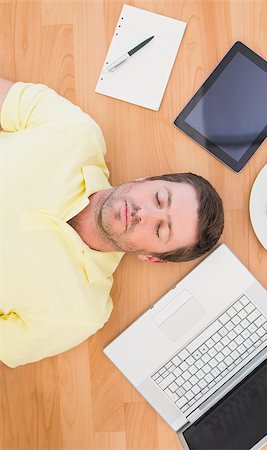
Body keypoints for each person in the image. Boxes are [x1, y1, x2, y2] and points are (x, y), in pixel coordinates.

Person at [0, 79, 224, 368]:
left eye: (160, 229)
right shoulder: (77, 133)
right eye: (158, 198)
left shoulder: (80, 314)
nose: (145, 213)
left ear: (152, 258)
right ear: (147, 179)